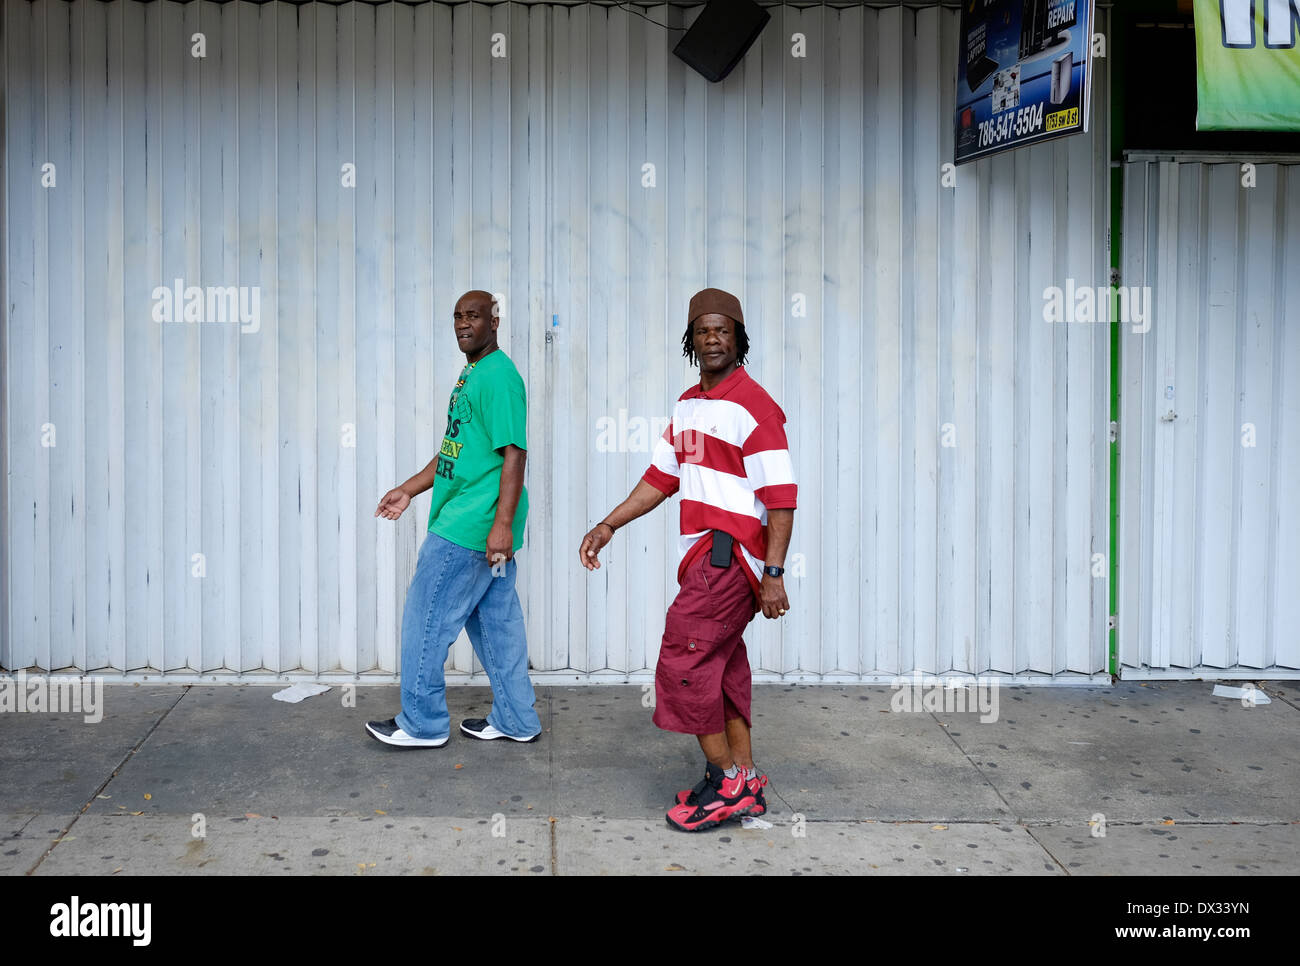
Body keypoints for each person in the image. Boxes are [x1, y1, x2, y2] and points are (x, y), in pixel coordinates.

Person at [579, 288, 796, 832]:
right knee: (721, 669)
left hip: (729, 561)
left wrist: (773, 574)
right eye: (703, 330)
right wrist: (608, 524)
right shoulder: (689, 405)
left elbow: (782, 498)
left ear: (739, 339)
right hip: (703, 559)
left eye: (723, 330)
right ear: (691, 340)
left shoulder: (756, 408)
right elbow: (661, 478)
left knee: (684, 661)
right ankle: (742, 775)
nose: (712, 339)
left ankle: (728, 785)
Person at [367, 290, 541, 747]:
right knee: (496, 623)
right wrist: (409, 489)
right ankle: (517, 719)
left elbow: (514, 453)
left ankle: (421, 723)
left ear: (494, 322)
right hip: (481, 529)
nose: (464, 324)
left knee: (426, 618)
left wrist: (501, 525)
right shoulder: (473, 373)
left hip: (470, 528)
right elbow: (455, 452)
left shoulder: (499, 377)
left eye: (475, 316)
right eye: (458, 317)